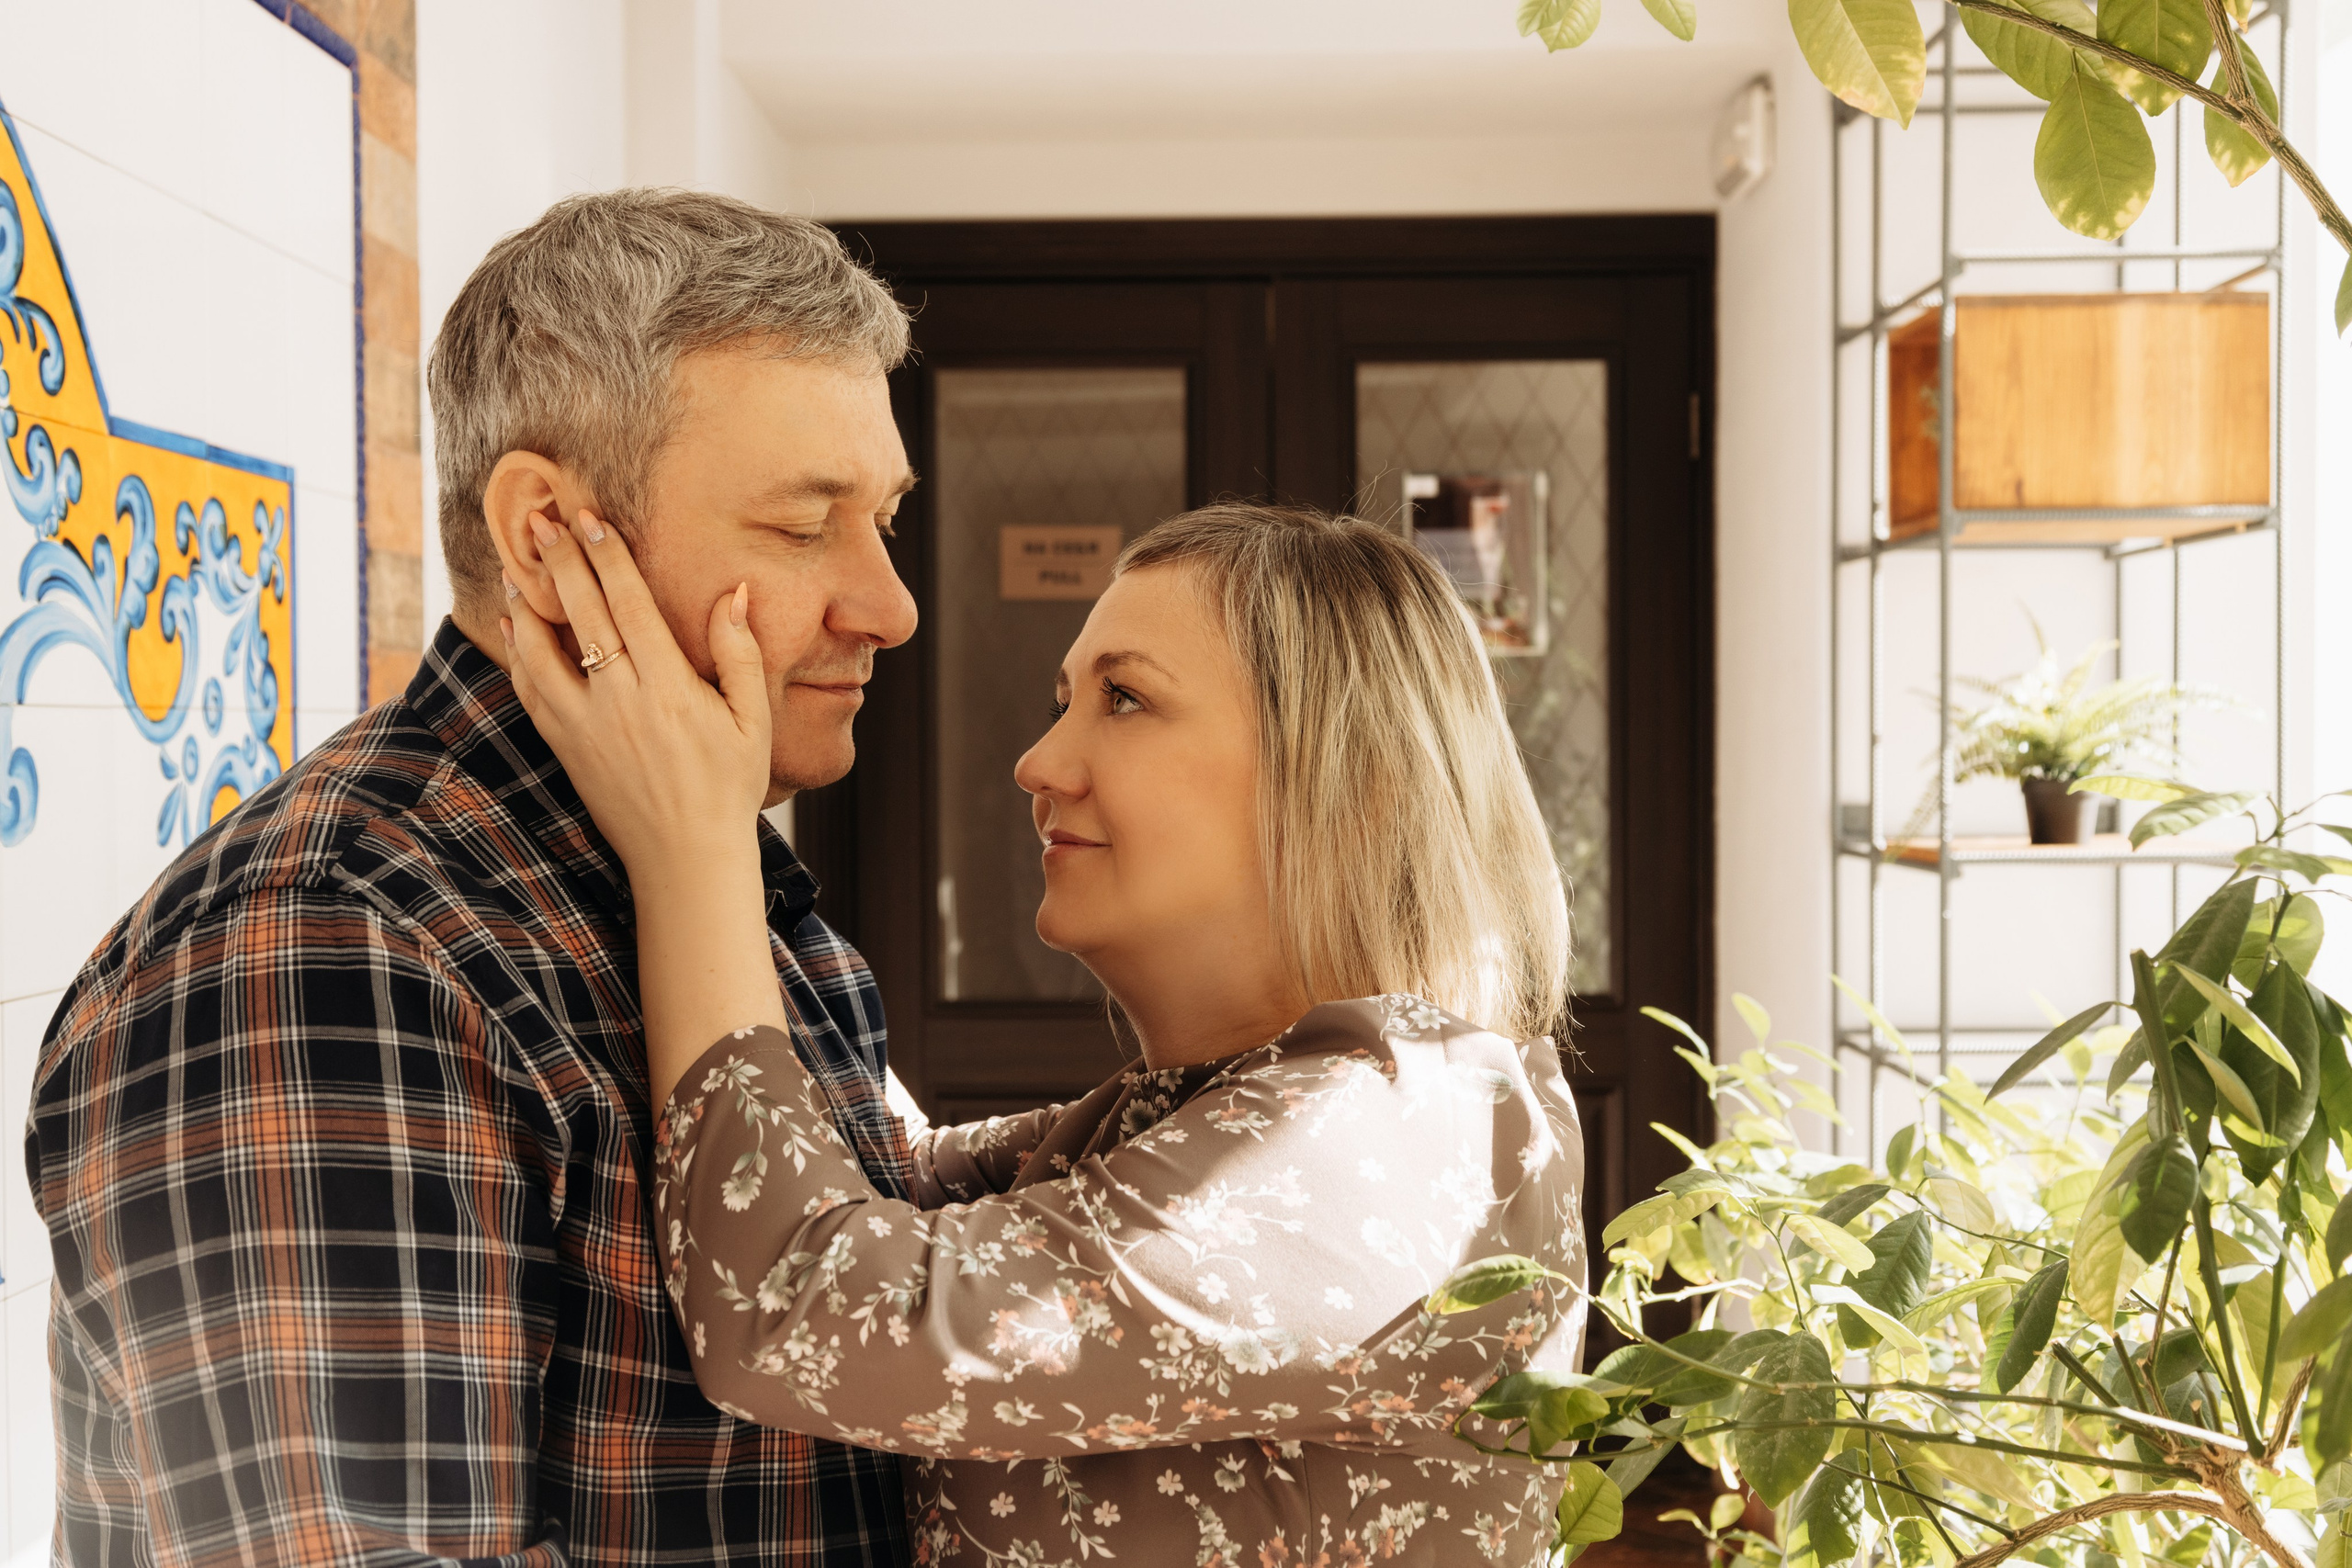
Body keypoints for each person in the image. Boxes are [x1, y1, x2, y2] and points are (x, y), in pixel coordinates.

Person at [25, 191, 968, 1565]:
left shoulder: (722, 892)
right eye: (804, 523)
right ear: (544, 537)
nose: (888, 604)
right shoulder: (329, 951)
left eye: (880, 517)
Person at [503, 501, 1589, 1566]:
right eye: (1064, 699)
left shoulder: (1398, 1135)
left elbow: (800, 1302)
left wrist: (696, 850)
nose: (1037, 761)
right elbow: (886, 1174)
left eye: (1122, 700)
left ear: (1349, 782)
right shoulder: (1208, 1108)